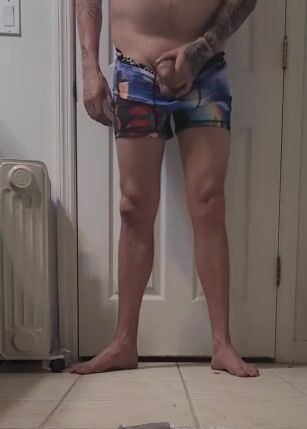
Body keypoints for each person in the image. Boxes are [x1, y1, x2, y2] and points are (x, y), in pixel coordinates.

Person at [74, 0, 259, 377]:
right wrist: (90, 68)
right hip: (133, 72)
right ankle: (123, 343)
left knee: (209, 205)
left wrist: (200, 49)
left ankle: (222, 345)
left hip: (205, 70)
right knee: (133, 207)